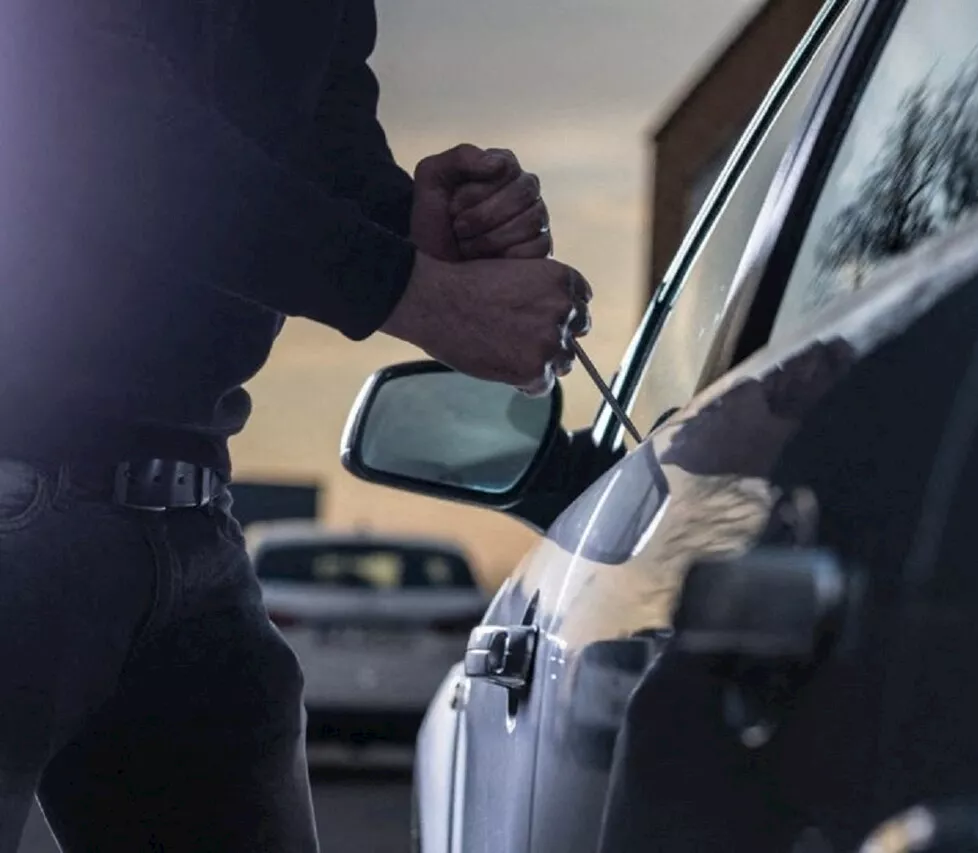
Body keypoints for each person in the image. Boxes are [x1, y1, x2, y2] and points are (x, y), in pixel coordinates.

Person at [0, 1, 591, 851]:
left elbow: (321, 148)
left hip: (189, 519)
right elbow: (91, 115)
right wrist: (418, 295)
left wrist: (422, 233)